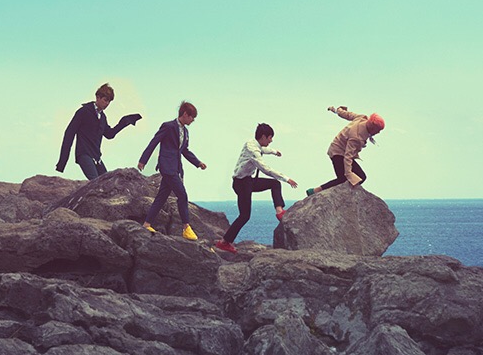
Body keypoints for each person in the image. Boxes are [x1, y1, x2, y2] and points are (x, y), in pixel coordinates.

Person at [214, 123, 297, 254]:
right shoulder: (253, 151)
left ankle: (279, 211)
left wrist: (275, 152)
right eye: (270, 138)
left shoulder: (253, 143)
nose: (271, 140)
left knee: (275, 184)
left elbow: (263, 149)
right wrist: (286, 179)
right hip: (241, 184)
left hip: (248, 181)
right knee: (244, 216)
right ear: (263, 137)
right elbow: (265, 169)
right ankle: (224, 242)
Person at [137, 101, 207, 240]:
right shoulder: (168, 126)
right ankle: (186, 227)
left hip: (176, 167)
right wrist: (143, 160)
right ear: (185, 114)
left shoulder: (185, 131)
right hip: (167, 167)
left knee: (162, 197)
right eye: (192, 117)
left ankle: (147, 223)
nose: (193, 120)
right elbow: (154, 142)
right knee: (182, 195)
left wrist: (197, 162)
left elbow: (184, 150)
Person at [56, 83, 142, 179]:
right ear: (98, 97)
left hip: (97, 157)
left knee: (108, 183)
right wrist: (62, 162)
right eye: (105, 100)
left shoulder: (103, 117)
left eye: (109, 101)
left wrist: (125, 122)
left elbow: (109, 134)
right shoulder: (83, 112)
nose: (107, 104)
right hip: (84, 154)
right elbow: (69, 134)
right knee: (96, 183)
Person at [315, 105, 385, 191]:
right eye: (378, 130)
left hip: (340, 150)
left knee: (361, 177)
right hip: (337, 152)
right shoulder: (356, 136)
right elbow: (348, 156)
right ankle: (316, 190)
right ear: (372, 127)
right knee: (343, 179)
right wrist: (349, 174)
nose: (378, 132)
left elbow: (347, 115)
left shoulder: (362, 118)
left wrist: (337, 110)